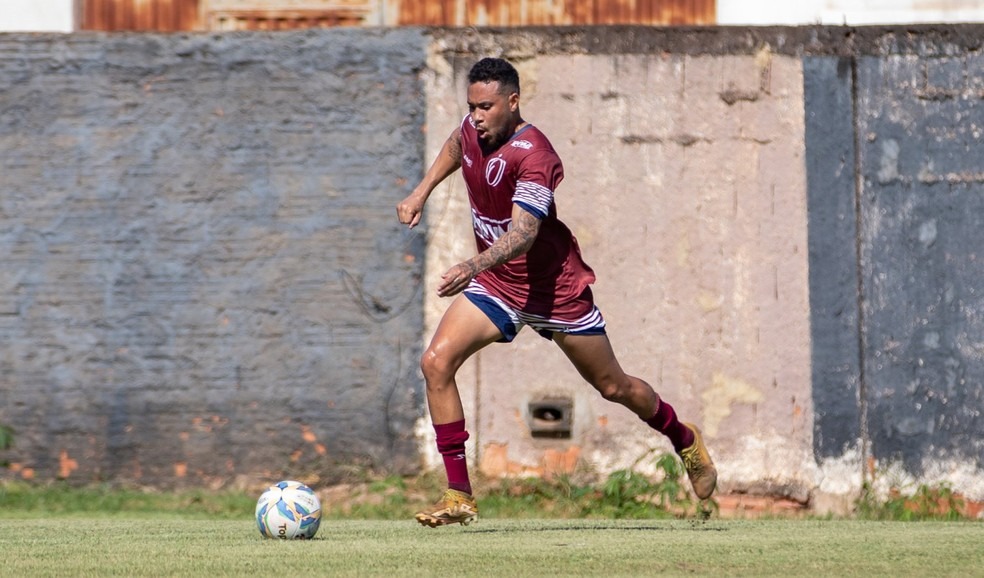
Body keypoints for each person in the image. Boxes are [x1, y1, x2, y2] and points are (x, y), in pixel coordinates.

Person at [396, 57, 716, 528]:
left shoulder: (535, 155)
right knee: (435, 363)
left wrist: (471, 265)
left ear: (513, 101)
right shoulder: (472, 129)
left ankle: (684, 438)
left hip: (554, 292)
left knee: (614, 387)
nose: (476, 117)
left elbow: (524, 235)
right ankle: (459, 494)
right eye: (471, 107)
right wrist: (420, 191)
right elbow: (455, 143)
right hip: (499, 286)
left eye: (486, 107)